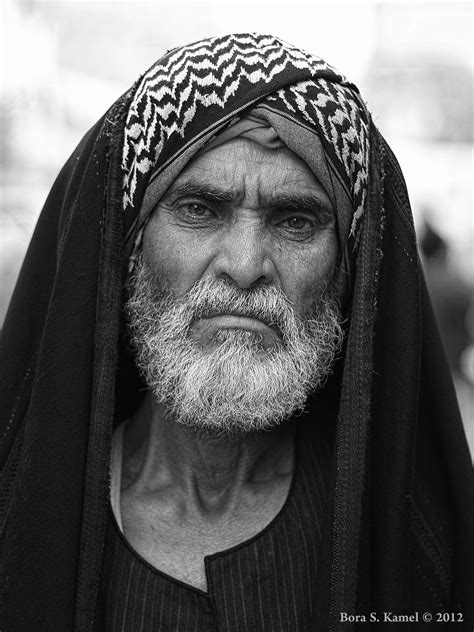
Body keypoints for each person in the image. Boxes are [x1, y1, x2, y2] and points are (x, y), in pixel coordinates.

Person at [0, 33, 473, 631]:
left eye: (296, 220)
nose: (246, 265)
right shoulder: (17, 517)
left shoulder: (425, 549)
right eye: (199, 209)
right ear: (130, 245)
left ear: (346, 269)